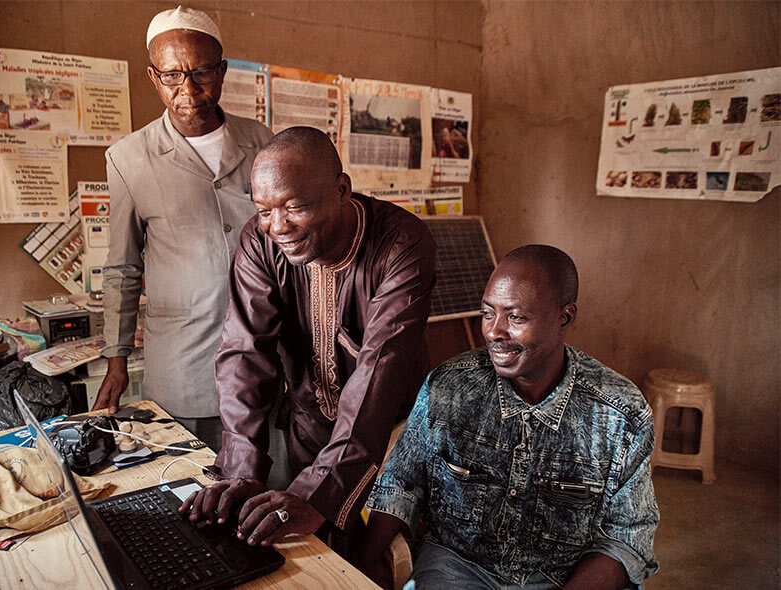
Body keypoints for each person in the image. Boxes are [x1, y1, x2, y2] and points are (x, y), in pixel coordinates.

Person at [181, 126, 437, 554]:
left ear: (342, 189)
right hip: (309, 427)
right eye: (263, 209)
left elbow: (378, 376)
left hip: (392, 434)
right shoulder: (259, 241)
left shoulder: (402, 245)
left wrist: (316, 494)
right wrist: (241, 472)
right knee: (312, 554)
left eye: (294, 207)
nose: (277, 226)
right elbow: (245, 355)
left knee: (379, 559)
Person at [358, 245, 659, 590]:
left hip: (562, 578)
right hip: (456, 567)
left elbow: (627, 537)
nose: (494, 332)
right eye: (488, 314)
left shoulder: (620, 413)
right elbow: (401, 485)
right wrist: (364, 565)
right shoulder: (449, 388)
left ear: (565, 317)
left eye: (516, 318)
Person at [93, 6, 273, 452]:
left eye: (201, 72)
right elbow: (122, 267)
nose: (188, 89)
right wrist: (115, 361)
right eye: (172, 76)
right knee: (193, 487)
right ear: (153, 78)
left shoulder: (262, 142)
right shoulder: (129, 158)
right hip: (184, 360)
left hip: (267, 354)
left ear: (223, 71)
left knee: (267, 487)